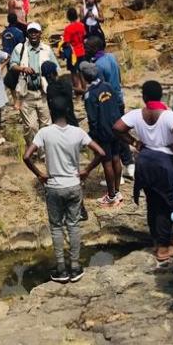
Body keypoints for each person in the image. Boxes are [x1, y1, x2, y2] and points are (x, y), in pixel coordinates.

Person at [25, 95, 105, 283]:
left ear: (51, 112)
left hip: (53, 186)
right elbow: (101, 153)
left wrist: (39, 174)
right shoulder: (78, 132)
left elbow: (27, 156)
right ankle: (75, 266)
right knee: (73, 225)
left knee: (56, 227)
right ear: (68, 112)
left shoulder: (44, 133)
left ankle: (61, 268)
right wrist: (86, 170)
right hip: (73, 185)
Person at [114, 80, 173, 265]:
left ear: (144, 97)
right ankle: (164, 247)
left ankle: (158, 240)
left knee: (153, 201)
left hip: (145, 161)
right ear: (161, 95)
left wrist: (135, 143)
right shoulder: (168, 116)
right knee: (166, 204)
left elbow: (117, 128)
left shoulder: (137, 114)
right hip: (164, 163)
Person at [80, 61, 124, 206]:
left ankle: (111, 196)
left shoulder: (89, 95)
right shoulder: (108, 86)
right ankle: (117, 191)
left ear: (84, 77)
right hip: (116, 128)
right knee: (116, 157)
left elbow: (92, 119)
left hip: (103, 132)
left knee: (107, 162)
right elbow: (118, 103)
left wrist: (93, 136)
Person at [9, 22, 60, 140]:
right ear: (27, 34)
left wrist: (55, 89)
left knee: (46, 125)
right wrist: (23, 69)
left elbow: (56, 68)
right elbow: (12, 65)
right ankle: (33, 152)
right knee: (30, 126)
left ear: (40, 33)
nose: (33, 34)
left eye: (35, 32)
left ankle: (44, 155)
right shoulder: (20, 48)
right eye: (31, 32)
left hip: (43, 93)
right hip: (26, 93)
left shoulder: (46, 49)